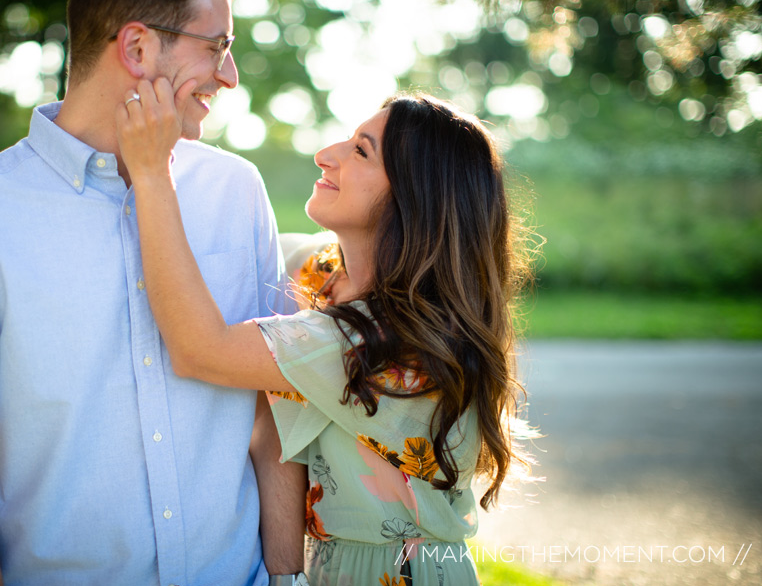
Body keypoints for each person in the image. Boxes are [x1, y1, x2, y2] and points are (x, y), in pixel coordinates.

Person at [0, 0, 307, 585]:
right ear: (137, 48)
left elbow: (271, 416)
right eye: (216, 46)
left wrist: (285, 577)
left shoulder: (236, 191)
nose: (230, 74)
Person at [115, 83, 537, 584]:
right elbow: (280, 255)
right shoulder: (338, 283)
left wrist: (151, 174)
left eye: (360, 151)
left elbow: (199, 350)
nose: (325, 155)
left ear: (413, 200)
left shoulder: (380, 342)